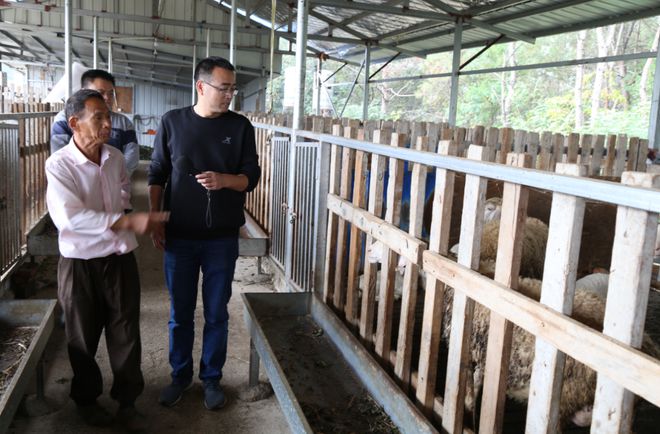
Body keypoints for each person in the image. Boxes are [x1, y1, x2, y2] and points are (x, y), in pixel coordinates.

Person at [46, 89, 169, 431]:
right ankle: (86, 400)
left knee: (125, 331)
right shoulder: (59, 165)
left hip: (119, 257)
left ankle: (127, 400)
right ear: (74, 123)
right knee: (82, 335)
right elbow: (69, 219)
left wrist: (123, 212)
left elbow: (124, 191)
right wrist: (124, 221)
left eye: (108, 116)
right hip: (80, 262)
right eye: (97, 117)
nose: (106, 124)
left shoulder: (114, 157)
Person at [148, 56, 260, 410]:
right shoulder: (173, 122)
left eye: (232, 89)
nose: (229, 95)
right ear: (201, 86)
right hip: (179, 236)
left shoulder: (240, 127)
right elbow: (156, 173)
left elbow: (250, 177)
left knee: (217, 312)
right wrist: (156, 218)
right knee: (180, 312)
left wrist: (224, 180)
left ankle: (211, 378)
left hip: (221, 239)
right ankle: (179, 376)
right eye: (223, 88)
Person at [51, 69, 139, 179]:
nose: (107, 98)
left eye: (110, 93)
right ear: (84, 91)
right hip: (77, 181)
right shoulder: (64, 119)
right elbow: (60, 155)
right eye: (100, 92)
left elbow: (132, 155)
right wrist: (91, 179)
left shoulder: (124, 123)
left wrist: (116, 178)